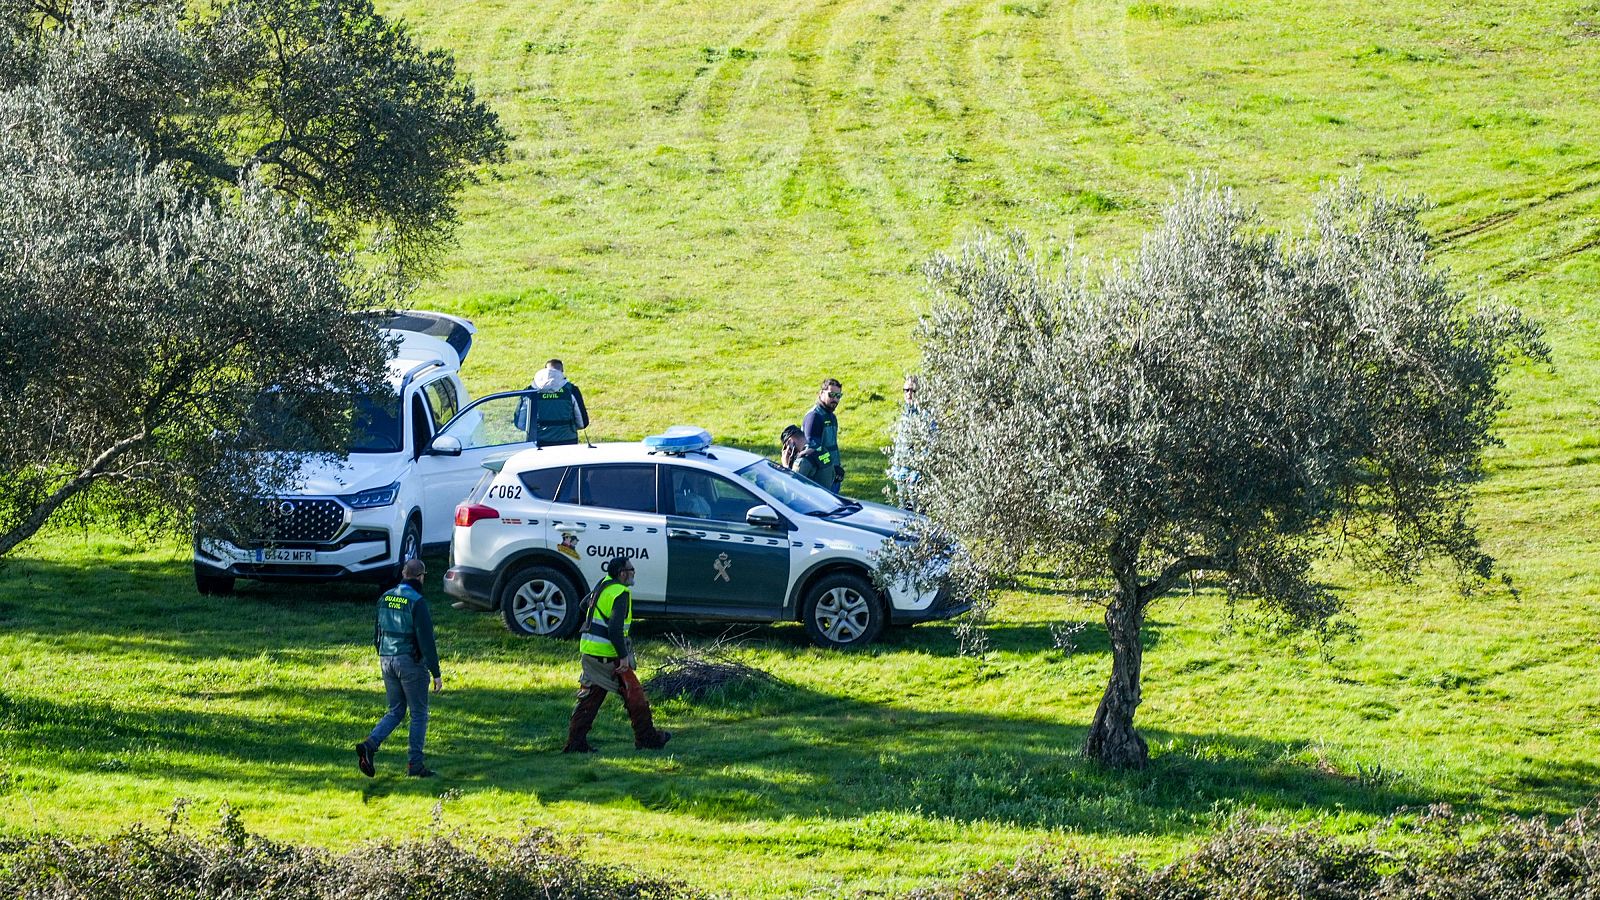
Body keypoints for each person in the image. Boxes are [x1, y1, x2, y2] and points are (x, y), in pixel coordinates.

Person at [563, 556, 672, 753]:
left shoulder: (603, 584)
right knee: (635, 696)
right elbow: (614, 630)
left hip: (590, 653)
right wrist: (623, 657)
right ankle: (647, 738)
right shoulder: (620, 593)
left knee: (590, 699)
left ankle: (575, 743)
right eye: (631, 569)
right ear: (622, 573)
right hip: (609, 656)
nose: (633, 572)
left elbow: (583, 605)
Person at [355, 558, 442, 778]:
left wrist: (382, 653)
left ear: (403, 573)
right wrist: (436, 672)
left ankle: (370, 744)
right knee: (419, 713)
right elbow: (426, 640)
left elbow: (377, 632)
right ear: (421, 577)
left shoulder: (385, 597)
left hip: (386, 659)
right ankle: (415, 765)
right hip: (409, 662)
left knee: (395, 710)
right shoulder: (417, 601)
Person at [528, 358, 589, 446]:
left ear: (545, 370)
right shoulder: (571, 389)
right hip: (567, 441)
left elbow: (520, 423)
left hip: (538, 442)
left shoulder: (531, 390)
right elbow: (582, 422)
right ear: (562, 371)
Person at [802, 378, 845, 491]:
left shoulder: (831, 416)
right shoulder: (814, 417)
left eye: (838, 396)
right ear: (821, 393)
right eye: (831, 395)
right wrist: (833, 467)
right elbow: (813, 450)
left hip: (832, 476)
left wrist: (836, 468)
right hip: (819, 479)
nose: (835, 399)